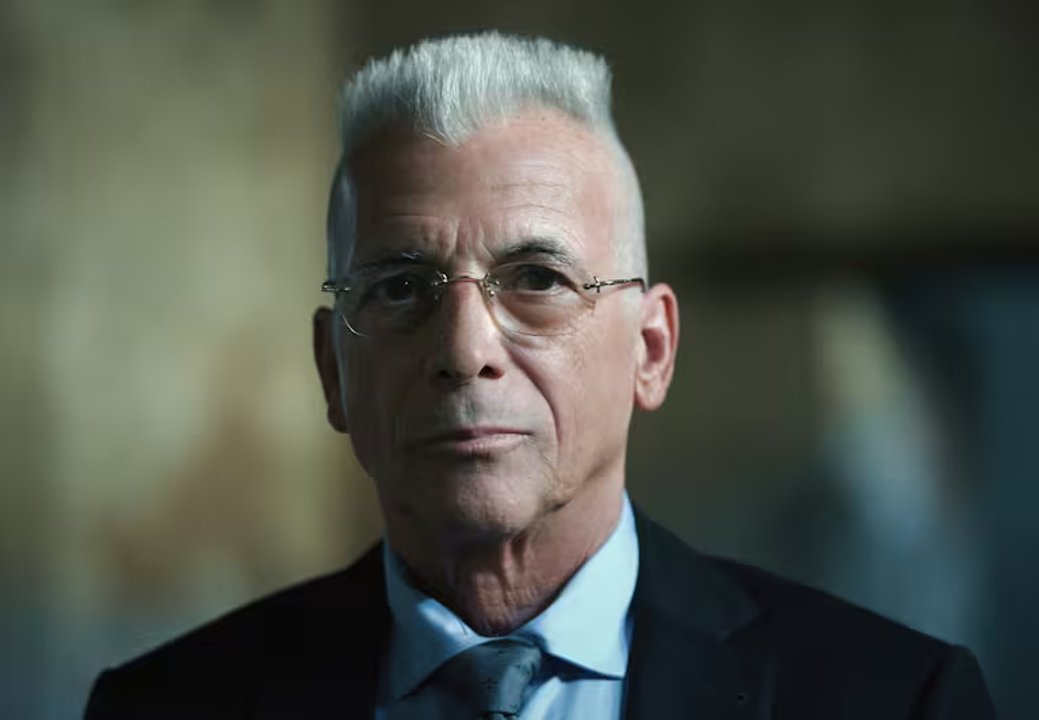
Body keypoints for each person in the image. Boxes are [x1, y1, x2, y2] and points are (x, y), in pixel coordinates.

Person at [84, 32, 997, 719]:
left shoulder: (896, 701)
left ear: (650, 350)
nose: (464, 348)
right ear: (333, 370)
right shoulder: (162, 708)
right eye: (399, 287)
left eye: (536, 280)